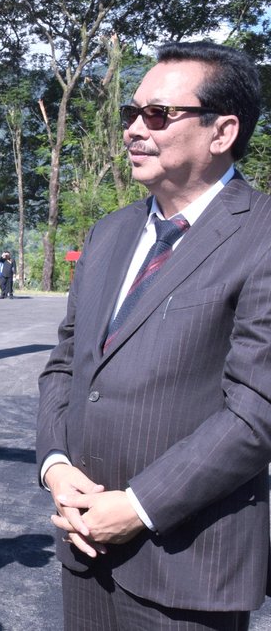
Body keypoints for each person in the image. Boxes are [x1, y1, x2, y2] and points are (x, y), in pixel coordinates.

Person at [37, 41, 271, 628]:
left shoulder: (261, 235)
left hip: (188, 566)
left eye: (158, 114)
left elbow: (257, 410)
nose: (134, 129)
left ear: (222, 132)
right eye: (131, 113)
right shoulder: (109, 233)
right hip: (84, 546)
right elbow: (66, 365)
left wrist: (139, 506)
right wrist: (56, 466)